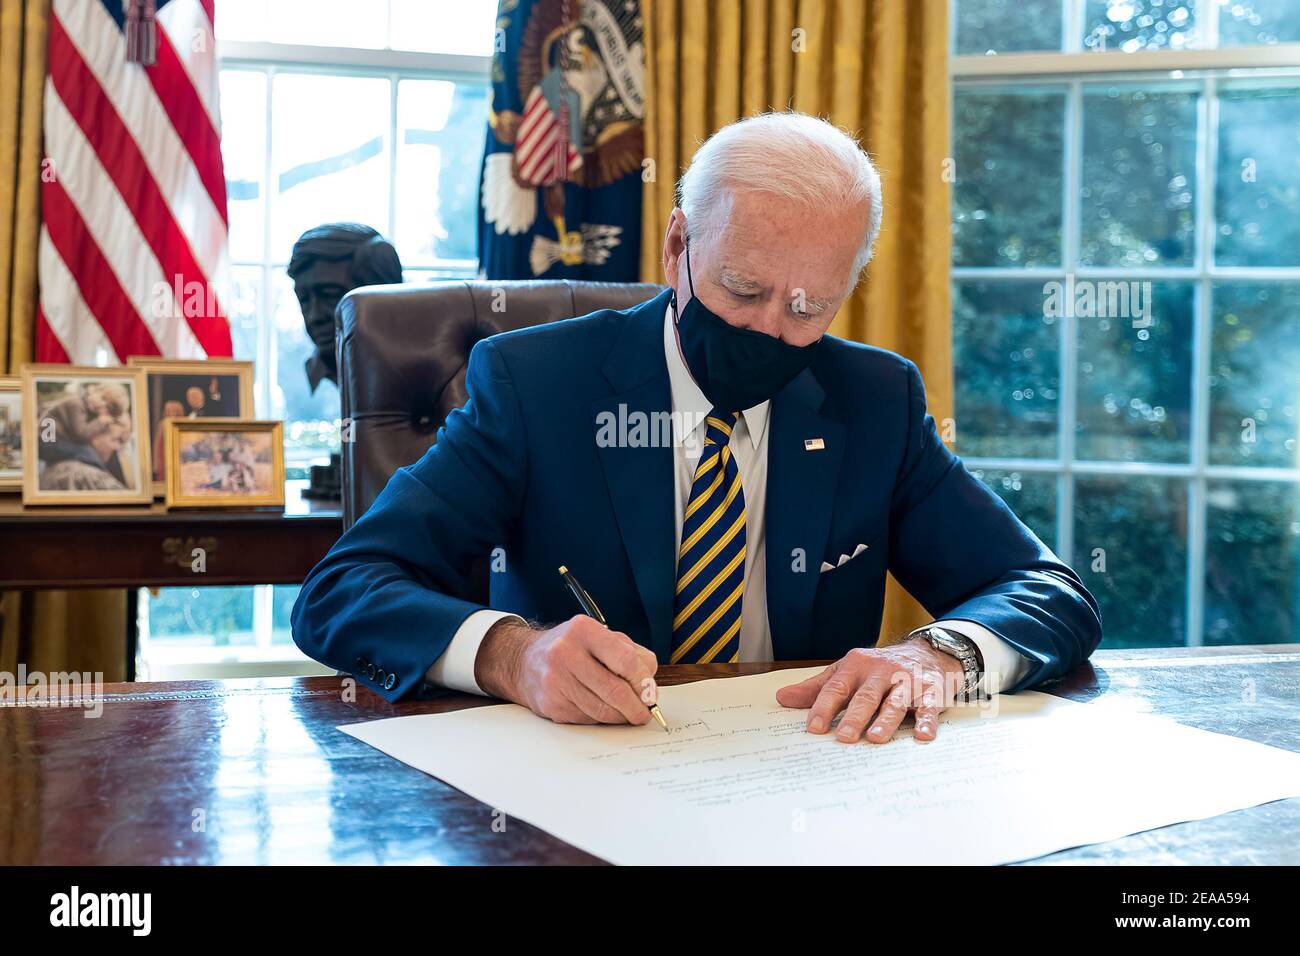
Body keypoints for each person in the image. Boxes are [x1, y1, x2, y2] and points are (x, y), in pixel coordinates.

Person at [292, 112, 1102, 745]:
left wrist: (939, 656)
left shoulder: (873, 399)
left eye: (808, 306)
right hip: (581, 783)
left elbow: (1047, 593)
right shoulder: (537, 386)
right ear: (679, 243)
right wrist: (514, 655)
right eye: (744, 289)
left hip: (809, 776)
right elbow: (344, 590)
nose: (770, 329)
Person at [38, 382, 135, 491]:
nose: (118, 449)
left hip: (50, 442)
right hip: (46, 442)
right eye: (117, 440)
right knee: (85, 452)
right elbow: (81, 434)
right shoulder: (76, 405)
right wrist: (100, 421)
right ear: (94, 435)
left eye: (107, 407)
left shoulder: (62, 466)